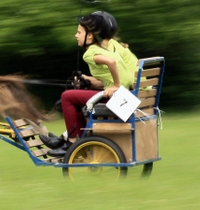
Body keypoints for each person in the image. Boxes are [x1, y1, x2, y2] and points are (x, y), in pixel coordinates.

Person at [41, 12, 135, 156]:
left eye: (79, 32)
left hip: (115, 100)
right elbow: (121, 73)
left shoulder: (89, 53)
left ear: (89, 36)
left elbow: (112, 63)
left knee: (67, 97)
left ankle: (71, 143)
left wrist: (115, 85)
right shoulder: (106, 50)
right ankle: (72, 140)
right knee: (76, 99)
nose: (76, 35)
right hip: (124, 98)